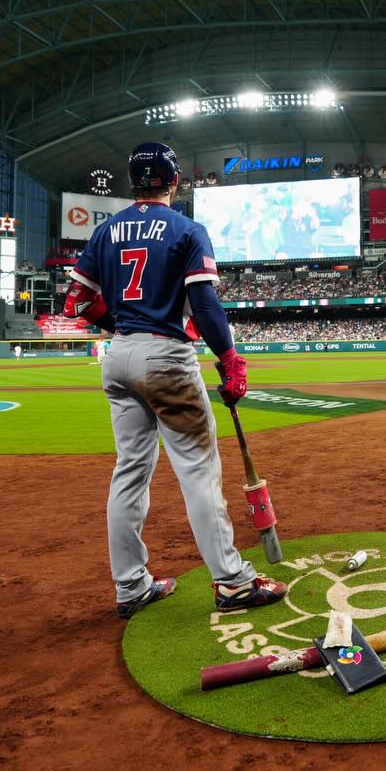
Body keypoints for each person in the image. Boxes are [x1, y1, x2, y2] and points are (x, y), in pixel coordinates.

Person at [63, 141, 288, 619]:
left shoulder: (104, 231)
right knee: (199, 472)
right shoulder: (187, 229)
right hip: (166, 356)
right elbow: (203, 303)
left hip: (119, 355)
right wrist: (229, 358)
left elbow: (77, 302)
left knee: (129, 471)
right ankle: (232, 583)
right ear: (175, 181)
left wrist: (124, 325)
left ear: (132, 183)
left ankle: (131, 586)